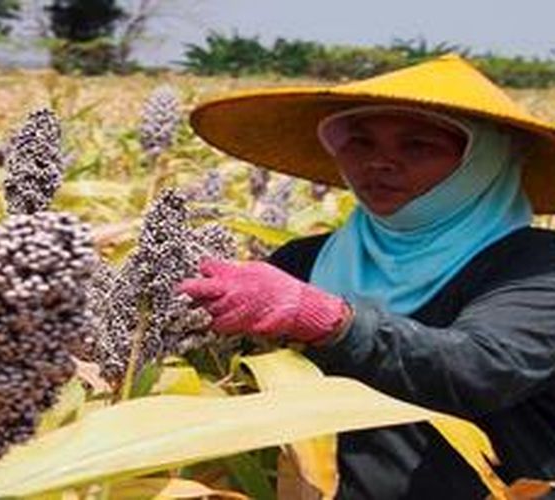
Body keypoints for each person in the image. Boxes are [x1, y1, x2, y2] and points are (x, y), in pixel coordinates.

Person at [178, 53, 555, 499]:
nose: (379, 162)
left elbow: (480, 367)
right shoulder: (304, 260)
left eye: (417, 145)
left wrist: (329, 320)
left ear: (484, 160)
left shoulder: (536, 264)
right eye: (360, 142)